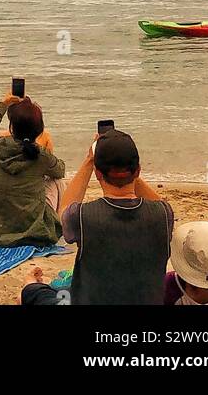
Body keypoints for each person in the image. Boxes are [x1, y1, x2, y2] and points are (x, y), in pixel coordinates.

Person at [60, 130, 173, 305]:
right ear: (138, 171)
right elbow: (159, 203)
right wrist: (130, 174)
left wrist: (90, 160)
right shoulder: (163, 215)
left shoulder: (83, 217)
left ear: (98, 174)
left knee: (34, 291)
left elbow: (64, 210)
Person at [0, 92, 65, 247]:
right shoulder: (41, 155)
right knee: (56, 180)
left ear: (11, 127)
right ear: (39, 130)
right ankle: (59, 221)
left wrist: (2, 105)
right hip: (32, 232)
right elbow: (60, 170)